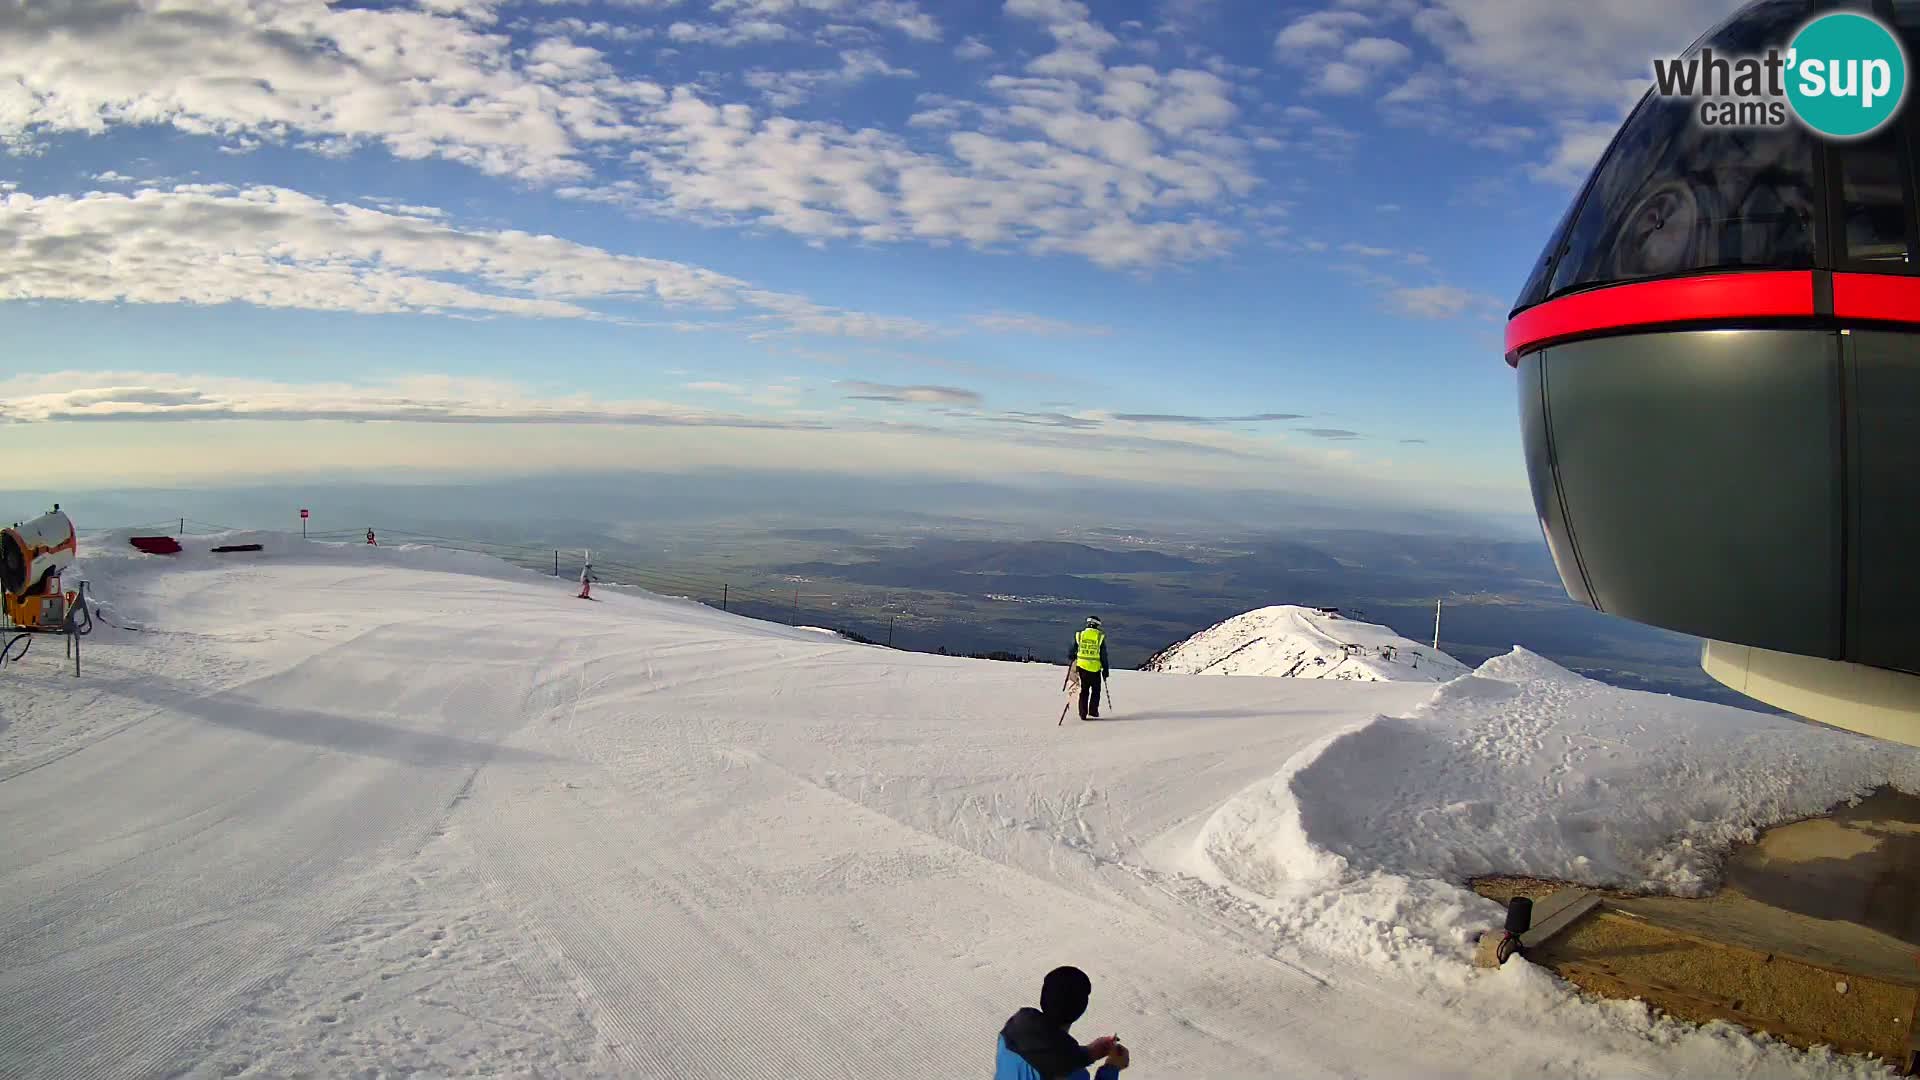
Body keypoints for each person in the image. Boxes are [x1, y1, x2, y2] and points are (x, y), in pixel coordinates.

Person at [995, 966, 1129, 1079]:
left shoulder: (1012, 1031)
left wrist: (1087, 1054)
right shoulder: (1072, 1075)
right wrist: (1112, 1068)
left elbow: (1044, 1053)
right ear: (1081, 1009)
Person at [1069, 616, 1109, 720]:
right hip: (1095, 668)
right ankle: (1093, 711)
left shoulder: (1080, 635)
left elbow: (1072, 651)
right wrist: (1105, 670)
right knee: (1096, 690)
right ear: (1097, 625)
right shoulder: (1099, 636)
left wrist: (1073, 657)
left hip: (1082, 667)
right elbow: (1103, 655)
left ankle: (1082, 713)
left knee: (1084, 690)